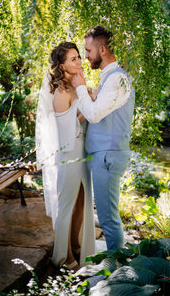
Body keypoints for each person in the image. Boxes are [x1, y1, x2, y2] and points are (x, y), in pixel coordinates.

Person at [72, 26, 135, 250]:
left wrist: (80, 88)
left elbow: (95, 114)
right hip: (104, 155)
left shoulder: (117, 79)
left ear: (103, 49)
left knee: (108, 219)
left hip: (108, 155)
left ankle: (117, 275)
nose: (86, 56)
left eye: (88, 50)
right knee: (108, 215)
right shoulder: (110, 78)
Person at [35, 42, 95, 271]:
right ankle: (64, 256)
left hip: (82, 154)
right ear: (61, 65)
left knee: (81, 203)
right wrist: (84, 113)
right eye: (73, 59)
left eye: (79, 57)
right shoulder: (60, 92)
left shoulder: (75, 87)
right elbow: (66, 134)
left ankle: (78, 246)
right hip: (70, 156)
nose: (79, 61)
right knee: (67, 205)